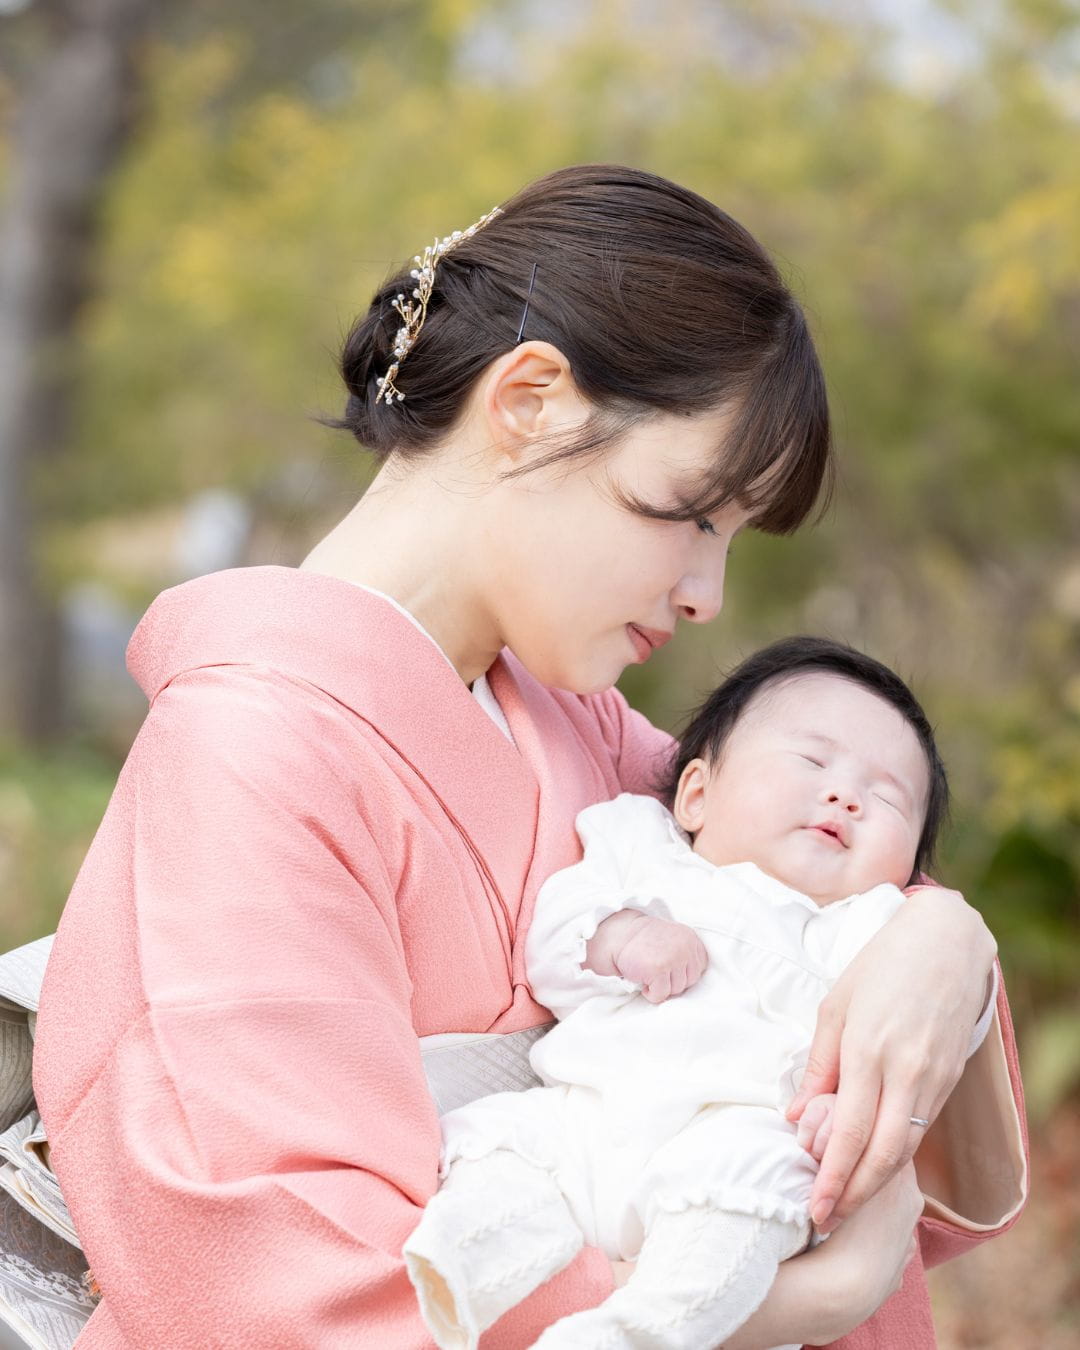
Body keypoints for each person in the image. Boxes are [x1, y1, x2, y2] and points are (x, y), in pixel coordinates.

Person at [32, 165, 1026, 1349]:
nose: (707, 595)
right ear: (532, 401)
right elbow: (273, 1273)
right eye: (689, 514)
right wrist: (768, 1306)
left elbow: (816, 906)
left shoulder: (579, 728)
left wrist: (943, 941)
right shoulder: (248, 752)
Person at [403, 637, 999, 1350]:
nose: (845, 797)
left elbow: (927, 1028)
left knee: (749, 1203)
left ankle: (644, 1330)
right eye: (813, 761)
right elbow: (554, 938)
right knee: (500, 1150)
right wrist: (621, 936)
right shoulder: (639, 848)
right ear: (695, 794)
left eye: (888, 799)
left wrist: (846, 1104)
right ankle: (454, 1276)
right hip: (586, 1114)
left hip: (738, 1137)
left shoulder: (870, 926)